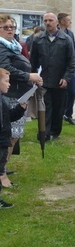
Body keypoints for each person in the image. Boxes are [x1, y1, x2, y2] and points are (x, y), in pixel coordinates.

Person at [0, 14, 43, 185]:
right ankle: (1, 173)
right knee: (10, 135)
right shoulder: (2, 47)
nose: (10, 30)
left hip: (19, 93)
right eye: (6, 27)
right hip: (10, 94)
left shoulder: (13, 46)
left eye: (12, 27)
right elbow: (5, 68)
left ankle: (3, 167)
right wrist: (28, 75)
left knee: (14, 135)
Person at [29, 12, 75, 141]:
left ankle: (55, 131)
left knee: (58, 107)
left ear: (56, 22)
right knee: (45, 107)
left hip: (60, 80)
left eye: (50, 20)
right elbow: (33, 60)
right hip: (43, 80)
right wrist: (32, 76)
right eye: (45, 21)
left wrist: (66, 78)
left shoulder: (66, 39)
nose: (48, 23)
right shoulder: (38, 39)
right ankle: (44, 132)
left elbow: (72, 62)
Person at [0, 68, 27, 209]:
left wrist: (20, 109)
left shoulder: (3, 99)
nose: (9, 84)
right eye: (6, 81)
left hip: (4, 140)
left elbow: (9, 116)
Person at [58, 13, 75, 125]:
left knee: (72, 92)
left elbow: (74, 48)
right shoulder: (57, 33)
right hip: (60, 67)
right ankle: (59, 114)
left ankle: (68, 113)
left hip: (71, 67)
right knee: (61, 93)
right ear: (61, 21)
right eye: (68, 20)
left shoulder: (70, 33)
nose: (70, 22)